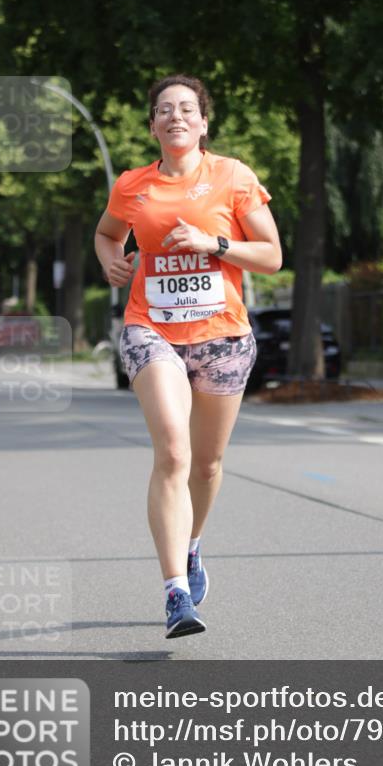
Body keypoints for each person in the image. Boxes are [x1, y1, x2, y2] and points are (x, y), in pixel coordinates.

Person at [94, 74, 282, 638]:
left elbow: (271, 255)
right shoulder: (132, 185)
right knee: (173, 453)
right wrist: (111, 259)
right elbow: (107, 234)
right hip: (151, 327)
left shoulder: (232, 176)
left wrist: (214, 244)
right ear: (152, 125)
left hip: (222, 335)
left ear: (203, 122)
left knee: (206, 464)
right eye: (163, 110)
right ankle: (176, 590)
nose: (175, 117)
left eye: (186, 109)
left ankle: (193, 545)